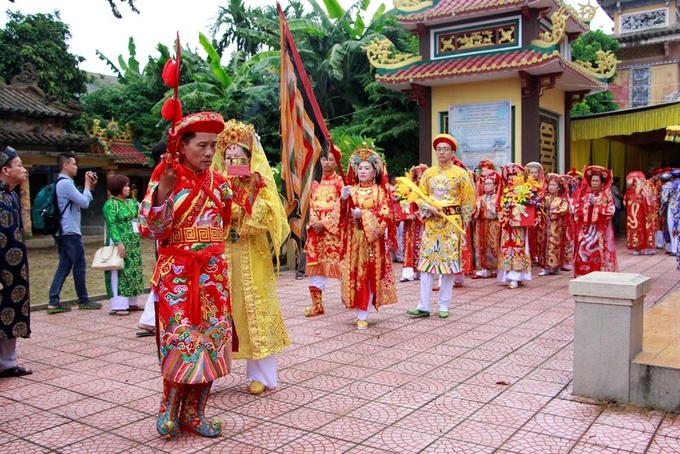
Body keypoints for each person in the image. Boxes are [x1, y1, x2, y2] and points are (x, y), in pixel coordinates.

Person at [138, 111, 233, 438]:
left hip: (213, 277)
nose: (209, 153)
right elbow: (150, 230)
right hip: (178, 277)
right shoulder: (164, 177)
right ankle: (169, 408)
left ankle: (196, 412)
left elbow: (225, 225)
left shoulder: (221, 183)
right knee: (181, 341)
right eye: (202, 145)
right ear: (181, 146)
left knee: (211, 340)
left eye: (213, 146)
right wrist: (163, 191)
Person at [211, 119, 290, 395]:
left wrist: (247, 213)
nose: (234, 161)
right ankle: (210, 371)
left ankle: (261, 374)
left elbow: (270, 213)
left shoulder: (260, 184)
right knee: (221, 309)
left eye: (239, 156)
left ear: (249, 156)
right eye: (229, 156)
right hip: (223, 254)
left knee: (256, 307)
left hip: (253, 253)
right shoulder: (217, 184)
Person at [406, 134, 475, 318]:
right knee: (426, 264)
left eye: (446, 149)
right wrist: (428, 207)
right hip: (431, 224)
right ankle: (423, 305)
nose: (442, 152)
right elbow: (419, 196)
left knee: (449, 266)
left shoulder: (461, 174)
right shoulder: (429, 173)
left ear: (453, 152)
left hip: (452, 225)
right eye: (439, 149)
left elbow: (468, 201)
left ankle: (444, 305)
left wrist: (464, 223)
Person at [338, 146, 398, 328]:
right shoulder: (351, 190)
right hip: (353, 240)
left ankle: (363, 313)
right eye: (360, 168)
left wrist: (363, 215)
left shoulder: (380, 192)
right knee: (353, 274)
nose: (362, 171)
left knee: (368, 274)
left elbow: (386, 215)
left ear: (375, 171)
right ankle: (358, 308)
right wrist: (342, 200)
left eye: (367, 168)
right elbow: (339, 217)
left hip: (371, 242)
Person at [47, 152, 101, 314]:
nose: (76, 167)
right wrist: (86, 185)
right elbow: (84, 203)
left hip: (63, 231)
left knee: (64, 265)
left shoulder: (62, 183)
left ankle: (53, 301)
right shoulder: (66, 184)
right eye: (74, 164)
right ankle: (83, 299)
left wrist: (89, 187)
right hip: (69, 231)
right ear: (65, 165)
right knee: (79, 265)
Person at [0, 146, 32, 378]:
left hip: (16, 269)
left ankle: (7, 362)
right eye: (19, 165)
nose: (23, 169)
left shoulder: (11, 195)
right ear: (5, 170)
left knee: (12, 313)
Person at [303, 152, 344, 316]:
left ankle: (350, 299)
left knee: (343, 267)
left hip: (333, 234)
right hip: (316, 234)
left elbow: (342, 206)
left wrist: (325, 223)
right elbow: (310, 205)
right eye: (324, 159)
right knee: (316, 269)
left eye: (331, 159)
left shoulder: (340, 183)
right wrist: (314, 221)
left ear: (336, 162)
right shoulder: (314, 183)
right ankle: (317, 305)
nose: (327, 163)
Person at [102, 174, 145, 316]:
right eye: (126, 186)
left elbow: (145, 211)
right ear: (118, 187)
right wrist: (119, 243)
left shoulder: (132, 203)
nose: (128, 188)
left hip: (133, 242)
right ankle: (119, 305)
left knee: (133, 270)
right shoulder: (111, 205)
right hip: (119, 241)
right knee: (119, 270)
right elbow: (112, 225)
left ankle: (132, 302)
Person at [573, 165, 618, 277]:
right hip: (587, 229)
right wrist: (582, 208)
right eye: (592, 180)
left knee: (597, 252)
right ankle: (583, 274)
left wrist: (596, 206)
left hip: (601, 230)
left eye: (597, 181)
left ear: (602, 182)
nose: (594, 183)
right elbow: (578, 211)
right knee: (582, 248)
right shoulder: (586, 196)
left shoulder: (606, 196)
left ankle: (598, 274)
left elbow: (611, 211)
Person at [497, 163, 533, 289]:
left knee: (519, 248)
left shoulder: (526, 191)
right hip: (507, 225)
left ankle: (517, 276)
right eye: (509, 177)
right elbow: (499, 207)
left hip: (519, 225)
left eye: (514, 176)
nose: (512, 179)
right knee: (507, 248)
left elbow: (531, 206)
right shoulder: (505, 192)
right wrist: (505, 214)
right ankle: (508, 274)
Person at [395, 164, 428, 282]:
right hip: (409, 224)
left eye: (421, 174)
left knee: (421, 246)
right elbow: (403, 199)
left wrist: (416, 214)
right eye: (417, 174)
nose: (418, 178)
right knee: (407, 245)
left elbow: (429, 204)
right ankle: (408, 272)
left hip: (423, 224)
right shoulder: (408, 186)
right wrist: (403, 213)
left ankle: (420, 272)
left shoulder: (427, 188)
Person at [537, 173, 569, 275]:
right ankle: (545, 267)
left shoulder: (562, 199)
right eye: (550, 185)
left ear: (559, 187)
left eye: (554, 185)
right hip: (544, 226)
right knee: (543, 245)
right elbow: (539, 209)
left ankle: (556, 266)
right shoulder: (545, 198)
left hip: (556, 227)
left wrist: (553, 212)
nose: (551, 187)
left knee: (555, 245)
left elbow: (564, 210)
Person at [472, 169, 501, 279]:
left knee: (493, 245)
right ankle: (481, 269)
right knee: (479, 245)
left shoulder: (497, 198)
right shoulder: (480, 198)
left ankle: (494, 268)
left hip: (493, 224)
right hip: (481, 224)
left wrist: (487, 209)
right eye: (485, 183)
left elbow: (497, 212)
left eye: (489, 183)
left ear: (495, 185)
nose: (486, 186)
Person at [624, 171, 655, 256]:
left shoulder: (629, 193)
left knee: (635, 231)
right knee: (646, 230)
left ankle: (636, 249)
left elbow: (625, 203)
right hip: (645, 216)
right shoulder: (645, 191)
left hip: (633, 217)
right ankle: (647, 248)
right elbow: (650, 204)